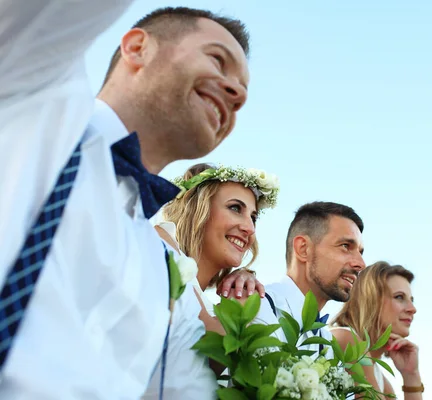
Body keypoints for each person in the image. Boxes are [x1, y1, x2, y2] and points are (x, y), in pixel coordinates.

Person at [0, 4, 254, 399]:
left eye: (241, 93)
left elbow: (187, 390)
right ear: (137, 47)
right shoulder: (31, 90)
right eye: (217, 60)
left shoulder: (166, 269)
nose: (237, 93)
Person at [142, 162, 279, 399]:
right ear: (197, 208)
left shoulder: (207, 305)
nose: (249, 228)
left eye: (253, 217)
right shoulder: (159, 244)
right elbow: (211, 344)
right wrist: (242, 305)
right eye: (236, 208)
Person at [252, 201, 366, 356]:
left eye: (360, 252)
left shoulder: (327, 343)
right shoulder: (257, 306)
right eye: (345, 246)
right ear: (303, 249)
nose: (360, 264)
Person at [330, 261, 424, 399]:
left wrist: (411, 375)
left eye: (411, 300)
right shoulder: (348, 340)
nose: (412, 309)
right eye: (399, 297)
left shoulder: (381, 380)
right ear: (371, 300)